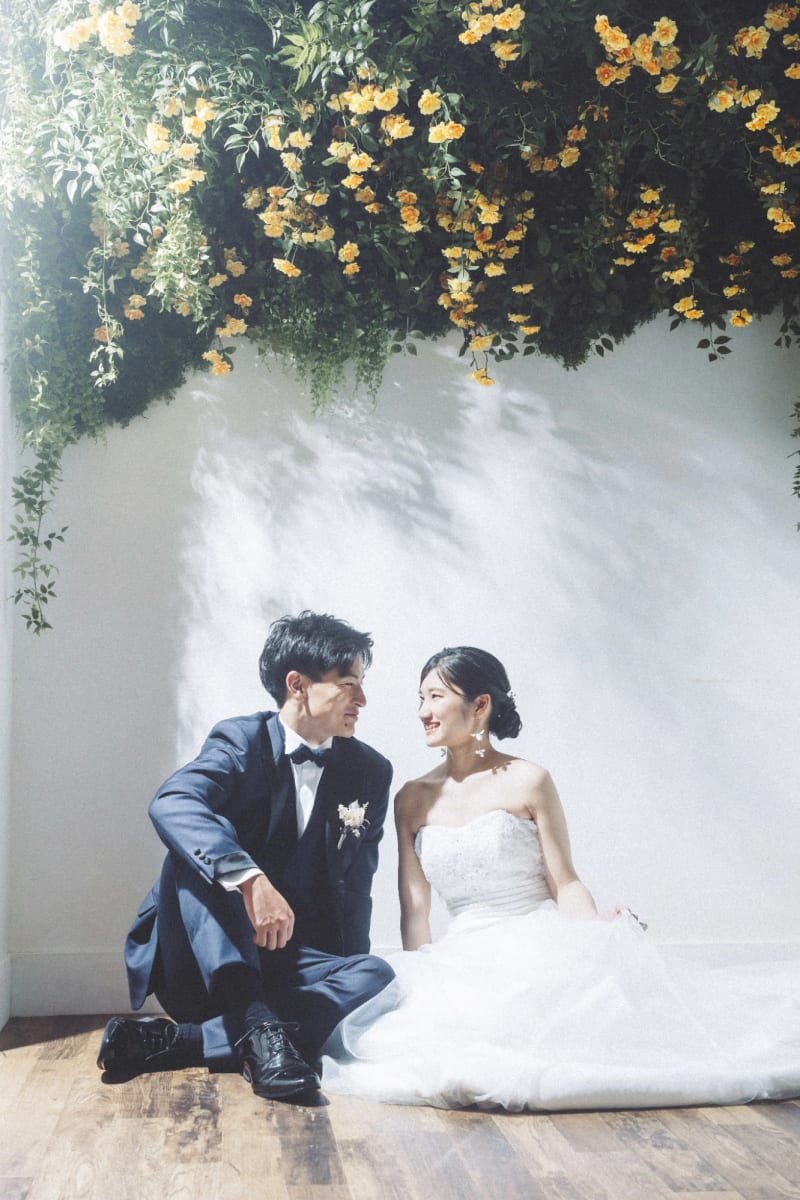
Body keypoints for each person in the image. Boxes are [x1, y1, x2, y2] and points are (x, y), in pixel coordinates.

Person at [320, 645, 800, 1111]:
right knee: (425, 1051)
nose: (423, 711)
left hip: (536, 941)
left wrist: (593, 935)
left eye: (435, 697)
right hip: (460, 955)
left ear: (480, 705)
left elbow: (564, 881)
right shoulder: (412, 797)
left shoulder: (529, 780)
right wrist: (420, 985)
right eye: (420, 698)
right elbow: (415, 909)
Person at [97, 611, 395, 1100]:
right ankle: (255, 1021)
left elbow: (357, 886)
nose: (362, 699)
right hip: (200, 964)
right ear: (297, 685)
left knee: (376, 974)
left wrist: (344, 978)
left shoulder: (369, 771)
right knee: (202, 844)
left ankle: (195, 1041)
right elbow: (172, 802)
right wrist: (250, 880)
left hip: (287, 961)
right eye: (348, 684)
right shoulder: (241, 740)